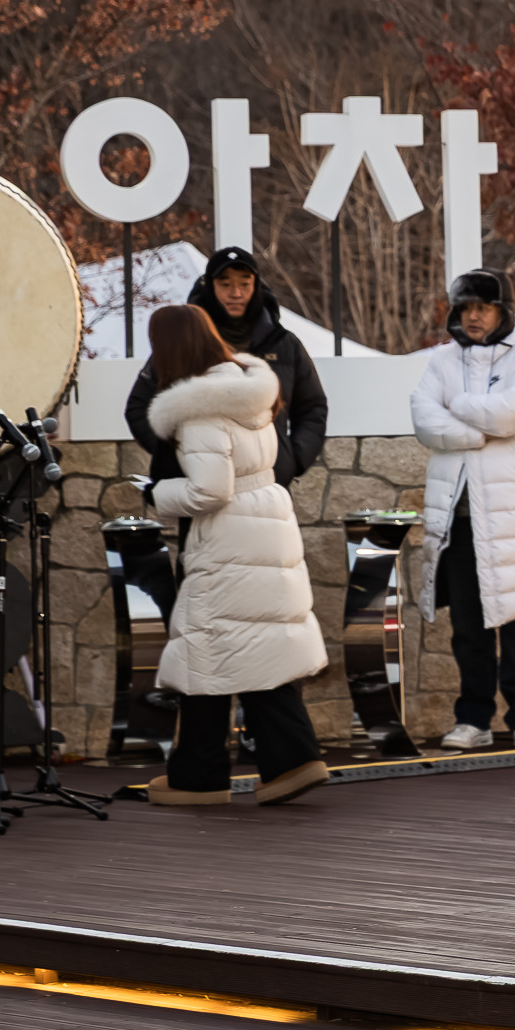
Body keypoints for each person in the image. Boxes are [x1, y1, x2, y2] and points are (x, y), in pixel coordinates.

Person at [138, 304, 331, 808]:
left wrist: (155, 494)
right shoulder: (249, 391)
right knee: (251, 644)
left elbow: (208, 492)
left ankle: (201, 776)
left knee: (206, 645)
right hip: (266, 524)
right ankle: (290, 759)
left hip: (226, 538)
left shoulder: (200, 406)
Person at [412, 269, 515, 751]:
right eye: (465, 308)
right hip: (456, 515)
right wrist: (476, 430)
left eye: (482, 307)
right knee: (467, 625)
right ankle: (474, 719)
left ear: (503, 310)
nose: (473, 316)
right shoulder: (441, 359)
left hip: (514, 513)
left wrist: (458, 404)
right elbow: (423, 417)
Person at [127, 246, 328, 493]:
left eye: (245, 284)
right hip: (200, 484)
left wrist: (292, 459)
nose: (236, 293)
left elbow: (312, 408)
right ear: (210, 286)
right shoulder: (186, 343)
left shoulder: (285, 345)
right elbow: (138, 407)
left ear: (256, 286)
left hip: (267, 483)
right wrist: (177, 455)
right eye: (225, 284)